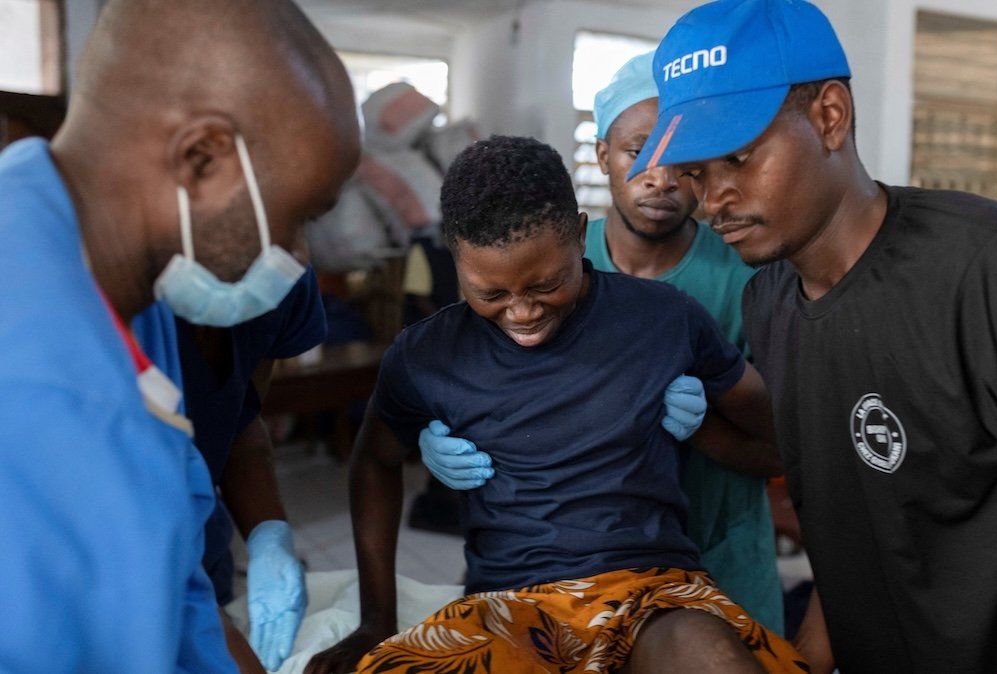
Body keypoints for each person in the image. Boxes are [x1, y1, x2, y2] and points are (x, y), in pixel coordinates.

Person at [630, 1, 997, 672]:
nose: (714, 197)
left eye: (739, 157)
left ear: (829, 117)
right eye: (695, 172)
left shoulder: (995, 270)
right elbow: (857, 529)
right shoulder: (771, 302)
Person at [305, 136, 803, 674]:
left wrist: (707, 419)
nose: (522, 313)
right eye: (490, 294)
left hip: (654, 591)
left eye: (547, 284)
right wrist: (375, 620)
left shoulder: (663, 319)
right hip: (508, 605)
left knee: (712, 658)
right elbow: (373, 462)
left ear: (579, 236)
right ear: (456, 258)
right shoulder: (427, 355)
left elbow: (777, 437)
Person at [0, 0, 360, 670]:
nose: (300, 255)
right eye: (297, 214)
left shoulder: (105, 269)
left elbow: (178, 585)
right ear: (202, 158)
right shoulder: (53, 401)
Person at [419, 51, 785, 633]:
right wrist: (441, 432)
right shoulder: (537, 262)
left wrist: (705, 426)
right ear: (602, 157)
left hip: (716, 547)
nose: (660, 176)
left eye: (682, 156)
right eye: (639, 150)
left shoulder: (747, 277)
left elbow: (783, 445)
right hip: (570, 573)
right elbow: (472, 366)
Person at [134, 266, 327, 673]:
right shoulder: (118, 310)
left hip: (201, 548)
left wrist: (269, 536)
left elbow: (238, 415)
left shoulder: (284, 281)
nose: (300, 253)